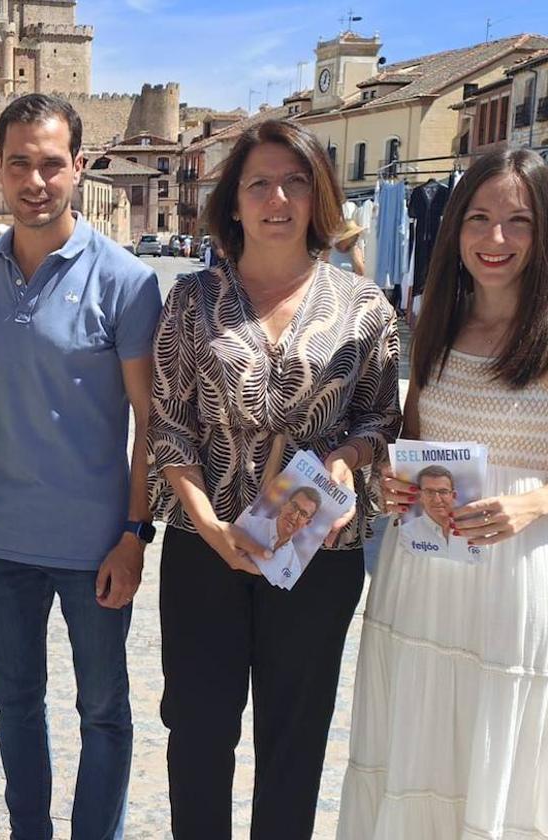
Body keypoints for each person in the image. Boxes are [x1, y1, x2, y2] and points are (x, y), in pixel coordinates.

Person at [149, 117, 401, 839]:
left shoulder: (364, 308)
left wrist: (347, 461)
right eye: (259, 183)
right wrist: (210, 526)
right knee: (197, 731)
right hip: (207, 546)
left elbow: (380, 419)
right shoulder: (191, 302)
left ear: (318, 196)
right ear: (234, 202)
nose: (278, 199)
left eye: (296, 182)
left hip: (318, 550)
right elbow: (168, 427)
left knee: (295, 738)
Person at [0, 93, 161, 839]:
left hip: (94, 544)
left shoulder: (128, 281)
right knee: (15, 705)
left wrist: (136, 532)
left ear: (78, 166)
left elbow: (151, 422)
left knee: (103, 710)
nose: (35, 180)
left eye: (50, 163)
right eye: (19, 165)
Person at [339, 148, 548, 839]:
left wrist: (534, 501)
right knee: (417, 758)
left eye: (518, 222)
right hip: (425, 576)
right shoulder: (433, 323)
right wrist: (398, 482)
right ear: (454, 228)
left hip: (515, 584)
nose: (495, 240)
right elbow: (417, 442)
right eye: (479, 219)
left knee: (499, 767)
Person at [238, 485, 321, 584]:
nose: (294, 516)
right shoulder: (247, 524)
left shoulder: (294, 566)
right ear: (284, 504)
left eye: (303, 514)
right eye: (294, 506)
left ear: (307, 523)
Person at [394, 464, 479, 559]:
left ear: (454, 496)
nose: (437, 500)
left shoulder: (471, 533)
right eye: (429, 492)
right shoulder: (407, 532)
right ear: (419, 496)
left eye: (443, 492)